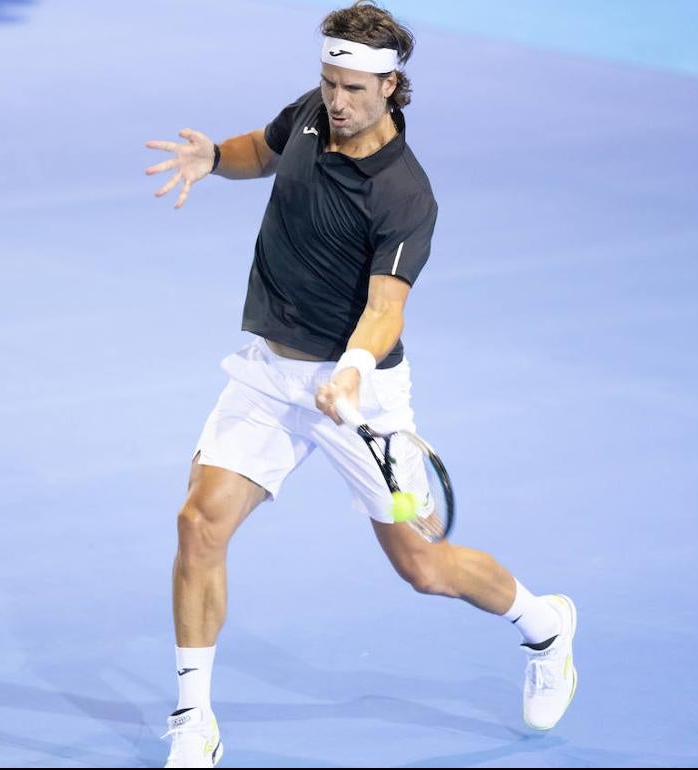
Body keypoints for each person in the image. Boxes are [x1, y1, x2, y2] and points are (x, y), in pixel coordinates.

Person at [144, 3, 576, 766]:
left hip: (361, 398)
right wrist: (213, 156)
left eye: (351, 88)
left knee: (424, 566)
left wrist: (349, 374)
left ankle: (545, 627)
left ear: (390, 85)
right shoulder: (312, 114)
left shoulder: (406, 197)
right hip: (270, 377)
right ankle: (193, 718)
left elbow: (384, 309)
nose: (335, 101)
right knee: (198, 524)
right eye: (328, 82)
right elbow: (265, 148)